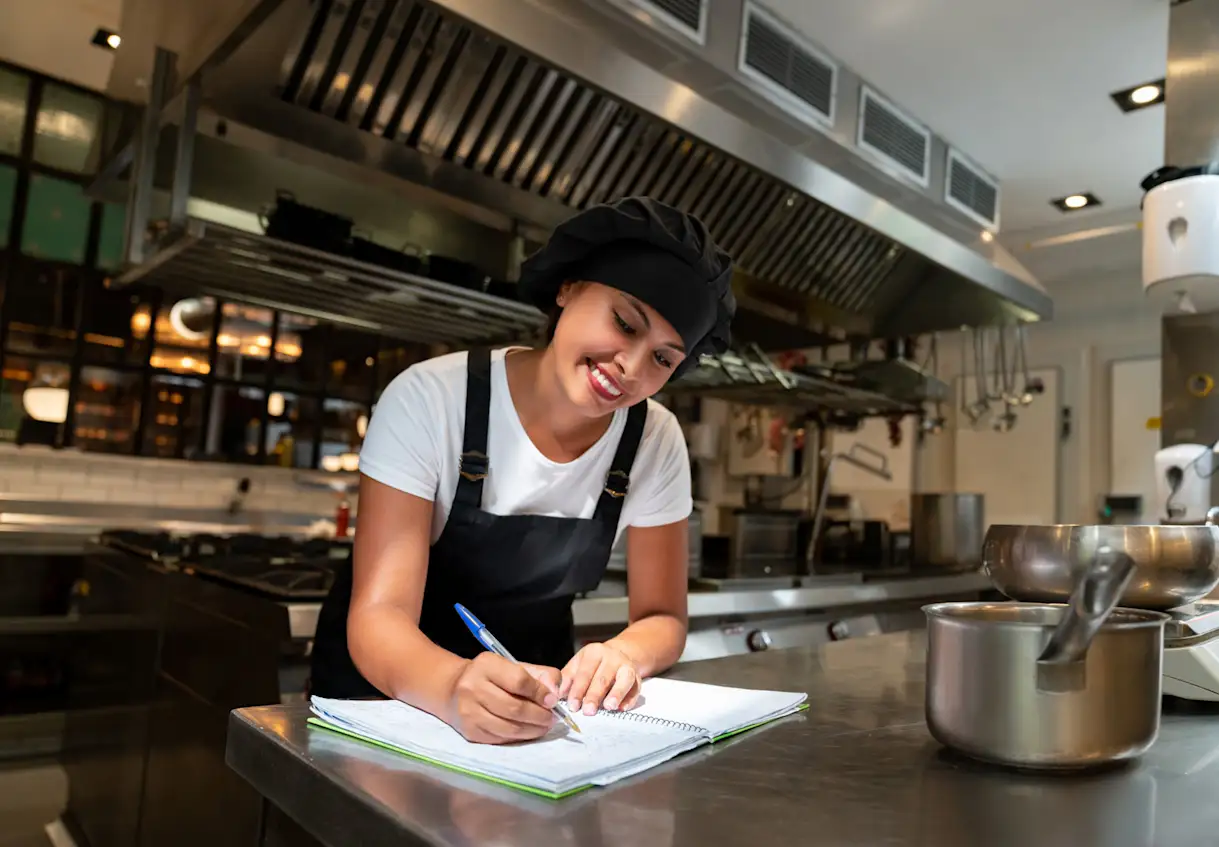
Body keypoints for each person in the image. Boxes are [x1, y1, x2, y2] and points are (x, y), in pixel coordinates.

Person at [309, 196, 736, 745]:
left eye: (662, 359)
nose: (629, 366)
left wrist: (623, 654)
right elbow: (378, 619)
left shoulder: (653, 440)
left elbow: (663, 618)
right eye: (625, 323)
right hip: (388, 705)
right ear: (568, 288)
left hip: (533, 721)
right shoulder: (432, 400)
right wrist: (454, 684)